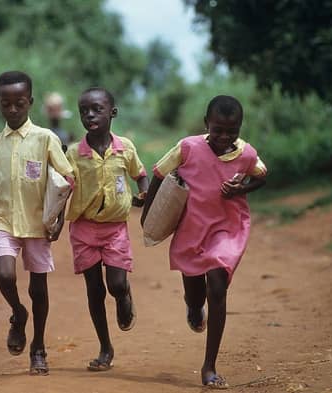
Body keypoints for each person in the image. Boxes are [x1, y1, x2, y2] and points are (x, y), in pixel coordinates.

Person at [141, 95, 267, 389]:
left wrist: (241, 189)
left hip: (228, 227)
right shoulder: (188, 148)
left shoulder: (247, 154)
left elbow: (262, 176)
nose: (224, 137)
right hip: (191, 228)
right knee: (196, 293)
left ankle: (209, 367)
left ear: (240, 128)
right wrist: (148, 214)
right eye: (218, 129)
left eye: (232, 131)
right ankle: (194, 307)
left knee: (217, 284)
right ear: (206, 124)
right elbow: (159, 174)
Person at [0, 70, 74, 376]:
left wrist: (58, 219)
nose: (13, 109)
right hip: (5, 219)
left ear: (30, 102)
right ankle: (18, 314)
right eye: (6, 104)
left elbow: (66, 179)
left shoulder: (46, 139)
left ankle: (39, 348)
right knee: (5, 276)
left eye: (19, 103)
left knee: (39, 290)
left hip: (37, 224)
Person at [65, 87, 149, 372]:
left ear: (112, 112)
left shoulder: (125, 147)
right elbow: (62, 186)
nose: (89, 115)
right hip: (83, 228)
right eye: (84, 111)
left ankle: (125, 295)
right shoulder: (74, 153)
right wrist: (52, 218)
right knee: (94, 289)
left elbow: (140, 174)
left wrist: (144, 194)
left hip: (115, 228)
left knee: (115, 284)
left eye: (96, 109)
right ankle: (105, 347)